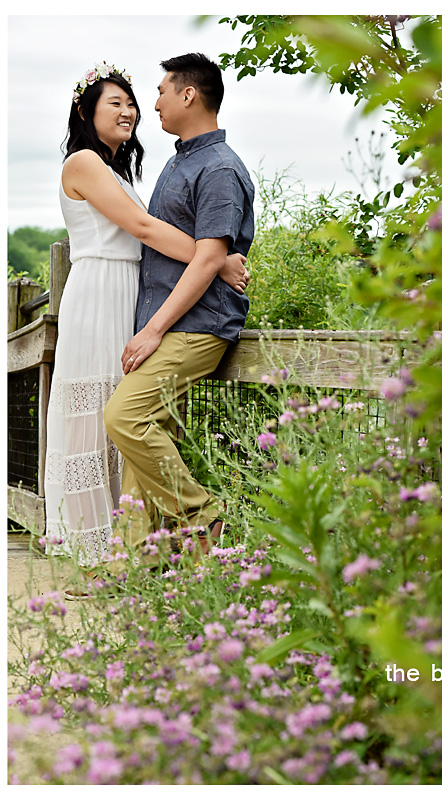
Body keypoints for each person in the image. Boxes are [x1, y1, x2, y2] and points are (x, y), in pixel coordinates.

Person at [44, 61, 248, 570]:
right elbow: (143, 226)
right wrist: (217, 259)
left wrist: (209, 259)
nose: (134, 109)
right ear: (85, 112)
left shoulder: (126, 169)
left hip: (132, 300)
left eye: (135, 100)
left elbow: (152, 230)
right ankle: (95, 548)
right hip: (99, 295)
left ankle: (129, 558)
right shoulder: (85, 162)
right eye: (116, 103)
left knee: (124, 422)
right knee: (103, 420)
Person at [102, 52, 256, 563]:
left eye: (163, 91)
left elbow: (210, 257)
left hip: (197, 326)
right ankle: (135, 562)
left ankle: (200, 518)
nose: (155, 103)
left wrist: (153, 331)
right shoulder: (181, 159)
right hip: (168, 325)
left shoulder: (219, 168)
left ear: (189, 95)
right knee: (148, 431)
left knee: (125, 417)